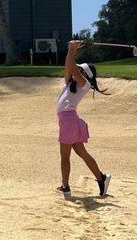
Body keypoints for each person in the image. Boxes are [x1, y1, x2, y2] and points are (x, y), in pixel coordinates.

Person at [56, 40, 111, 197]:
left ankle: (65, 187)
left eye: (81, 69)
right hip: (69, 121)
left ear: (86, 74)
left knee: (65, 156)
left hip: (69, 121)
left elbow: (73, 69)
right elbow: (69, 67)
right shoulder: (69, 83)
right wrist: (70, 49)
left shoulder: (85, 84)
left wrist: (73, 50)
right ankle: (101, 178)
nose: (77, 70)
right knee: (82, 153)